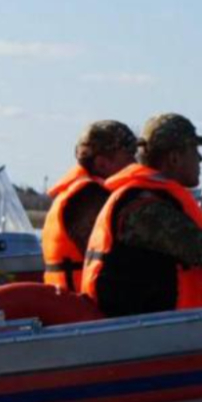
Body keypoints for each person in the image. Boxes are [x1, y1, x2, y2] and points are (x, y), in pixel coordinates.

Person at [80, 114, 202, 316]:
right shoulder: (144, 208)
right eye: (194, 151)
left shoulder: (146, 198)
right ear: (174, 158)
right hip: (144, 336)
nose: (199, 159)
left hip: (160, 330)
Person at [42, 120, 138, 291]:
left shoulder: (75, 193)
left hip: (70, 304)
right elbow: (115, 257)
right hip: (81, 309)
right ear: (101, 163)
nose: (135, 163)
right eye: (129, 155)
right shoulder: (88, 198)